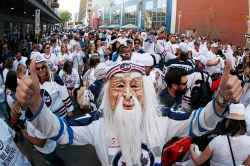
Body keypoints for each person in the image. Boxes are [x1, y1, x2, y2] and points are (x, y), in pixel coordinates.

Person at [16, 59, 242, 166]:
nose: (127, 94)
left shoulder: (161, 119)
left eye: (135, 86)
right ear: (107, 95)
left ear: (146, 92)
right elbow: (58, 131)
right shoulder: (97, 123)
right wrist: (36, 104)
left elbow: (199, 123)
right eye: (118, 86)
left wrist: (220, 100)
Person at [34, 53, 74, 119]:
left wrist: (70, 112)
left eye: (42, 67)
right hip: (48, 118)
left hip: (61, 116)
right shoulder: (35, 82)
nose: (40, 70)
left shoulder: (55, 77)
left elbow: (65, 95)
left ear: (46, 67)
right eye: (38, 68)